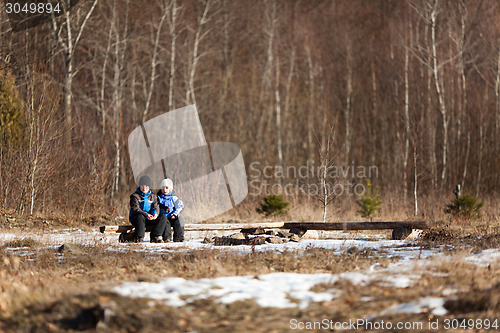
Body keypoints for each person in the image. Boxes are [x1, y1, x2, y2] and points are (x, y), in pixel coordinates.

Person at [129, 175, 167, 243]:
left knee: (163, 217)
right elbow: (136, 209)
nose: (144, 188)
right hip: (137, 218)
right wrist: (146, 215)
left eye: (146, 187)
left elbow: (156, 207)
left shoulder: (152, 196)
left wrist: (155, 214)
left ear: (149, 187)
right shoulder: (135, 196)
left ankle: (155, 236)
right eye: (142, 186)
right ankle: (139, 237)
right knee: (140, 217)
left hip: (150, 218)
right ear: (139, 186)